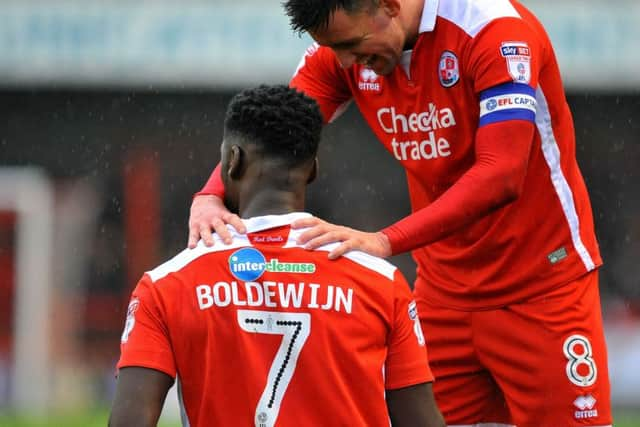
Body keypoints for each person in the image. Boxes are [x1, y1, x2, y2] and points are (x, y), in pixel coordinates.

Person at [189, 1, 613, 426]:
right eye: (333, 49)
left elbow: (500, 174)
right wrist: (210, 195)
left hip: (541, 288)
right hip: (441, 296)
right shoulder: (344, 53)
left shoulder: (494, 31)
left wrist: (385, 240)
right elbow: (277, 134)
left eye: (351, 45)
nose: (345, 63)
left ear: (389, 6)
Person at [110, 85, 445, 427]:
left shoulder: (167, 285)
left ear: (232, 160)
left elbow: (128, 422)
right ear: (312, 170)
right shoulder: (381, 283)